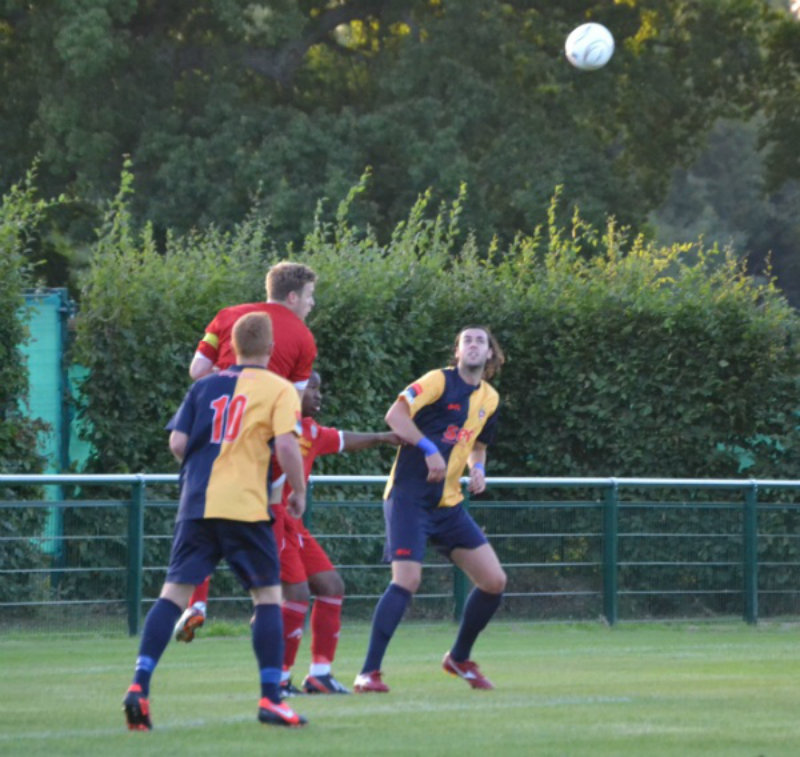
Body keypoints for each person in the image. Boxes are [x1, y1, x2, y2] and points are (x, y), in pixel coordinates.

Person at [122, 312, 309, 730]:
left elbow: (178, 442)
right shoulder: (279, 389)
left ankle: (139, 685)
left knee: (173, 595)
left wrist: (207, 463)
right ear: (271, 347)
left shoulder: (203, 386)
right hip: (246, 507)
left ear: (234, 346)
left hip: (197, 504)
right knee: (267, 598)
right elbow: (286, 444)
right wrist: (298, 489)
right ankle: (271, 699)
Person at [353, 325, 506, 694]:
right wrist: (428, 447)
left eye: (480, 341)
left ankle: (458, 657)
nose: (473, 345)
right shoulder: (438, 381)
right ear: (457, 351)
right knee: (407, 580)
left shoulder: (490, 398)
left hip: (448, 504)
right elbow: (395, 415)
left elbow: (478, 446)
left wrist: (479, 470)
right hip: (408, 497)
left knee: (494, 581)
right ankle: (368, 673)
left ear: (490, 354)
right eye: (466, 340)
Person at [174, 261, 317, 640]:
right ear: (291, 296)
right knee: (267, 516)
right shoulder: (302, 337)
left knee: (202, 522)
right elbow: (296, 403)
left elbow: (197, 370)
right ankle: (265, 608)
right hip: (260, 442)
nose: (311, 304)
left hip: (212, 433)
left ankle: (196, 603)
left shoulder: (228, 317)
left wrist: (222, 395)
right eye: (309, 296)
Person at [274, 370, 400, 697]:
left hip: (294, 524)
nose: (318, 395)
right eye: (312, 388)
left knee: (331, 585)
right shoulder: (273, 425)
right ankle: (279, 678)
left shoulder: (312, 432)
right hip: (270, 519)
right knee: (296, 595)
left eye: (320, 389)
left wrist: (383, 437)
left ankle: (320, 675)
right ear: (293, 391)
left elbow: (344, 439)